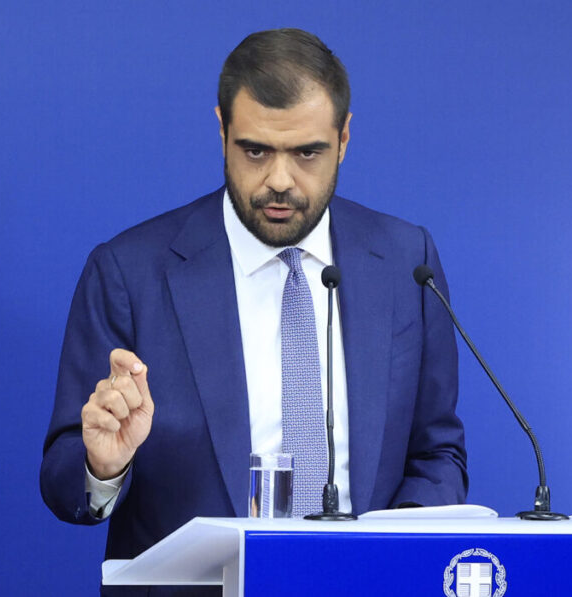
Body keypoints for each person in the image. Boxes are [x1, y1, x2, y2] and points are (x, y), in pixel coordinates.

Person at [40, 28, 467, 594]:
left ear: (344, 138)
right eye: (255, 150)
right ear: (222, 131)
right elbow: (64, 479)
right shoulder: (128, 271)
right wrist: (104, 467)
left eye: (307, 152)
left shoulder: (406, 261)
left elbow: (437, 452)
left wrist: (391, 556)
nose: (279, 181)